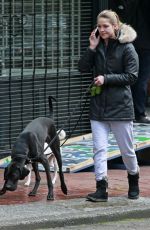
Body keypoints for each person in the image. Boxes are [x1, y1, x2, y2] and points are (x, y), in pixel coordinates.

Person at [78, 10, 140, 202]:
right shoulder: (97, 47)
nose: (102, 30)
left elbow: (132, 76)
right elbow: (82, 68)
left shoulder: (127, 48)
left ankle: (133, 178)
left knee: (126, 150)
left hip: (120, 107)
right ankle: (101, 188)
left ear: (115, 26)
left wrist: (106, 79)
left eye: (106, 26)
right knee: (99, 149)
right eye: (99, 26)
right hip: (98, 107)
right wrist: (91, 47)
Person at [109, 0, 150, 123]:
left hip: (125, 42)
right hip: (142, 43)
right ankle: (138, 113)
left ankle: (131, 112)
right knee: (139, 79)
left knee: (128, 77)